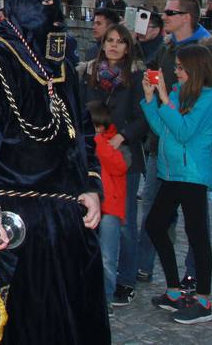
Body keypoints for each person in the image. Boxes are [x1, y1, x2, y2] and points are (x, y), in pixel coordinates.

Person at [0, 0, 106, 344]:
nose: (53, 14)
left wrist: (90, 185)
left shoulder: (62, 67)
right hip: (14, 219)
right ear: (20, 6)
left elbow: (82, 131)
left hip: (66, 218)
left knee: (69, 323)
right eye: (43, 4)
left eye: (56, 3)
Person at [140, 42, 212, 324]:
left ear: (195, 69)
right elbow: (162, 128)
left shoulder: (208, 98)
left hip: (192, 175)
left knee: (197, 234)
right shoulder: (179, 94)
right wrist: (150, 100)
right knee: (155, 225)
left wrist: (165, 100)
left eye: (180, 67)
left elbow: (183, 132)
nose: (175, 71)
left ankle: (204, 300)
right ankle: (174, 291)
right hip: (171, 172)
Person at [82, 23, 148, 309]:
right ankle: (96, 280)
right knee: (95, 220)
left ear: (127, 46)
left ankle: (126, 279)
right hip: (94, 154)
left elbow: (143, 116)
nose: (114, 46)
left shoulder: (135, 76)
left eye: (120, 42)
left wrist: (122, 136)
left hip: (123, 156)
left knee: (124, 223)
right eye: (110, 40)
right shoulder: (90, 73)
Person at [90, 101, 131, 308]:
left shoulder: (113, 144)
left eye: (97, 128)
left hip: (110, 208)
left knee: (107, 258)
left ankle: (105, 300)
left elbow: (120, 166)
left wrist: (98, 143)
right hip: (89, 206)